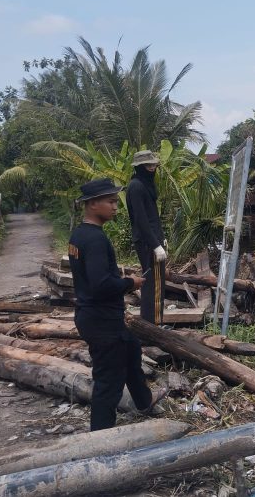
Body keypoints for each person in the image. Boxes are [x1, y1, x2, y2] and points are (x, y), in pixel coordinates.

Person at [69, 178, 164, 430]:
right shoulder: (96, 240)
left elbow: (93, 277)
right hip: (102, 321)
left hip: (95, 315)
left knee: (131, 349)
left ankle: (144, 401)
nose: (115, 207)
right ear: (92, 204)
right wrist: (130, 283)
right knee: (108, 382)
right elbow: (101, 285)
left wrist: (121, 279)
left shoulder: (79, 235)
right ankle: (100, 438)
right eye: (110, 202)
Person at [126, 150, 166, 326]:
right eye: (147, 165)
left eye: (153, 164)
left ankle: (152, 323)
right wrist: (155, 245)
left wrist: (160, 238)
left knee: (155, 282)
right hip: (147, 242)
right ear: (139, 167)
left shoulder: (145, 184)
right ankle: (153, 325)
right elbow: (141, 220)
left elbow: (152, 217)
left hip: (152, 240)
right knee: (153, 284)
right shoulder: (136, 187)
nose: (152, 168)